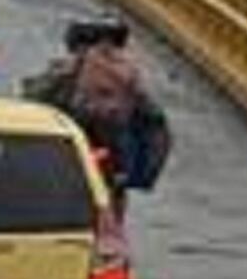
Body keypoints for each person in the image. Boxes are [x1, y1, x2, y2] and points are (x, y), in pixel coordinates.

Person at [31, 14, 171, 196]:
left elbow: (39, 94)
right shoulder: (127, 69)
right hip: (111, 152)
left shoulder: (71, 66)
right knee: (115, 187)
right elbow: (152, 116)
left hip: (73, 143)